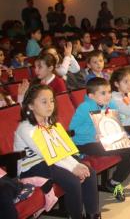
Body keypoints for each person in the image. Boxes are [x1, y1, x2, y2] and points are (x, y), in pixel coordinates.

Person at [15, 84, 100, 219]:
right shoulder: (25, 128)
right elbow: (48, 153)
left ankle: (93, 214)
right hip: (33, 166)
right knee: (73, 181)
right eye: (44, 101)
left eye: (52, 101)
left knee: (90, 172)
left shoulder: (48, 122)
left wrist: (77, 165)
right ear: (31, 106)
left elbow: (61, 150)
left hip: (52, 160)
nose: (50, 105)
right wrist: (73, 168)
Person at [69, 77, 130, 202]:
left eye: (109, 92)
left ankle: (114, 182)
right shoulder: (84, 108)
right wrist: (95, 133)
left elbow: (116, 121)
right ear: (91, 96)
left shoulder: (110, 104)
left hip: (105, 139)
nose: (108, 95)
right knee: (128, 147)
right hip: (84, 143)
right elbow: (72, 129)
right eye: (103, 93)